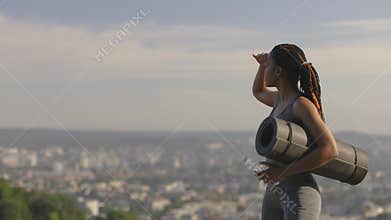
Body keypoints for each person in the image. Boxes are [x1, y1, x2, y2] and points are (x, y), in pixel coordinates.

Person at [251, 43, 339, 220]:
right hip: (275, 192)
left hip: (299, 194)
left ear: (278, 72)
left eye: (269, 65)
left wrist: (280, 173)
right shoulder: (278, 100)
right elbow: (258, 91)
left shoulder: (300, 105)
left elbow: (330, 149)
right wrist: (261, 66)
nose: (266, 68)